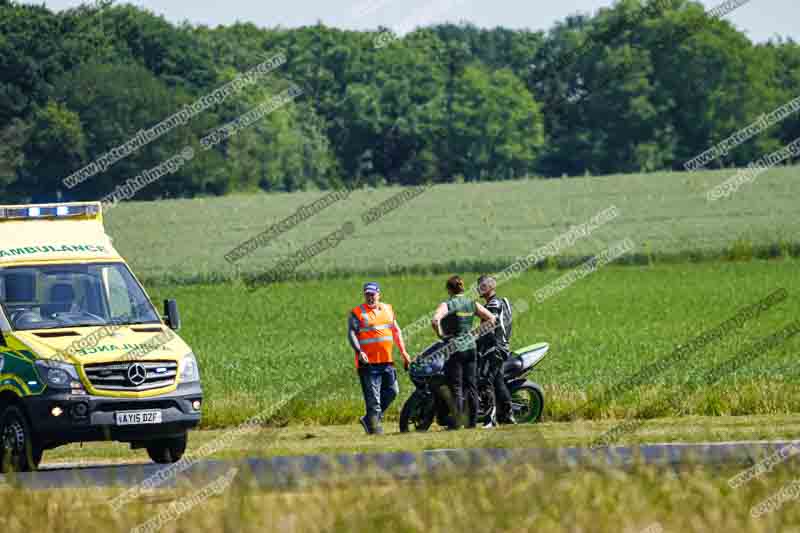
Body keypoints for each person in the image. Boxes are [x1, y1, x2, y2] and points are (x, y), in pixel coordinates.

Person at [431, 275, 495, 429]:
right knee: (471, 387)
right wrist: (475, 333)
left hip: (455, 349)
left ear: (449, 289)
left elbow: (434, 320)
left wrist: (441, 334)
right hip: (471, 348)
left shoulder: (448, 304)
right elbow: (492, 319)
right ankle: (471, 424)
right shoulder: (472, 303)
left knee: (457, 388)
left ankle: (457, 423)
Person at [348, 281, 411, 435]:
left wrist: (404, 352)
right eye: (367, 294)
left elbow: (396, 331)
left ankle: (369, 419)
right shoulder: (357, 313)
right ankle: (375, 429)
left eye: (373, 294)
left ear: (379, 294)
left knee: (393, 391)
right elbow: (351, 333)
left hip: (387, 361)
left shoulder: (388, 309)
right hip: (368, 364)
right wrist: (359, 351)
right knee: (374, 400)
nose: (370, 297)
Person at [476, 275, 516, 427]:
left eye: (482, 285)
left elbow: (488, 327)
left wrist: (470, 338)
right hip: (500, 347)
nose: (479, 288)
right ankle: (507, 416)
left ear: (490, 287)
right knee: (498, 382)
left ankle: (490, 419)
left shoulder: (493, 304)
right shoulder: (499, 302)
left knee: (487, 381)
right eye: (479, 285)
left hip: (495, 348)